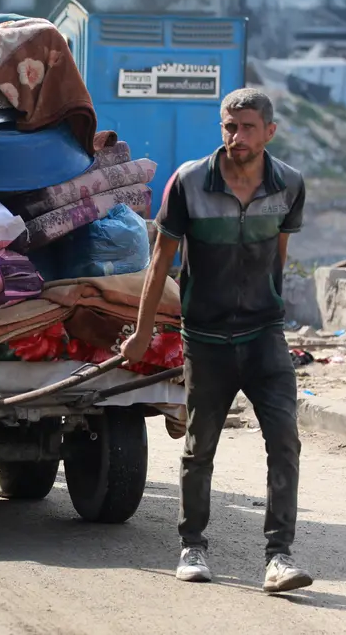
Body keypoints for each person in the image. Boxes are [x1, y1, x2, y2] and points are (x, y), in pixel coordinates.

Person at [120, 88, 312, 594]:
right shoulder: (188, 182)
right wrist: (142, 332)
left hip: (265, 334)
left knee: (285, 441)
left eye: (248, 127)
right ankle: (193, 544)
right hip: (205, 338)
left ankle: (278, 556)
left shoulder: (289, 184)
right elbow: (161, 260)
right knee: (199, 445)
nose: (237, 136)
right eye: (229, 126)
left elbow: (279, 253)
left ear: (270, 131)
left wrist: (268, 301)